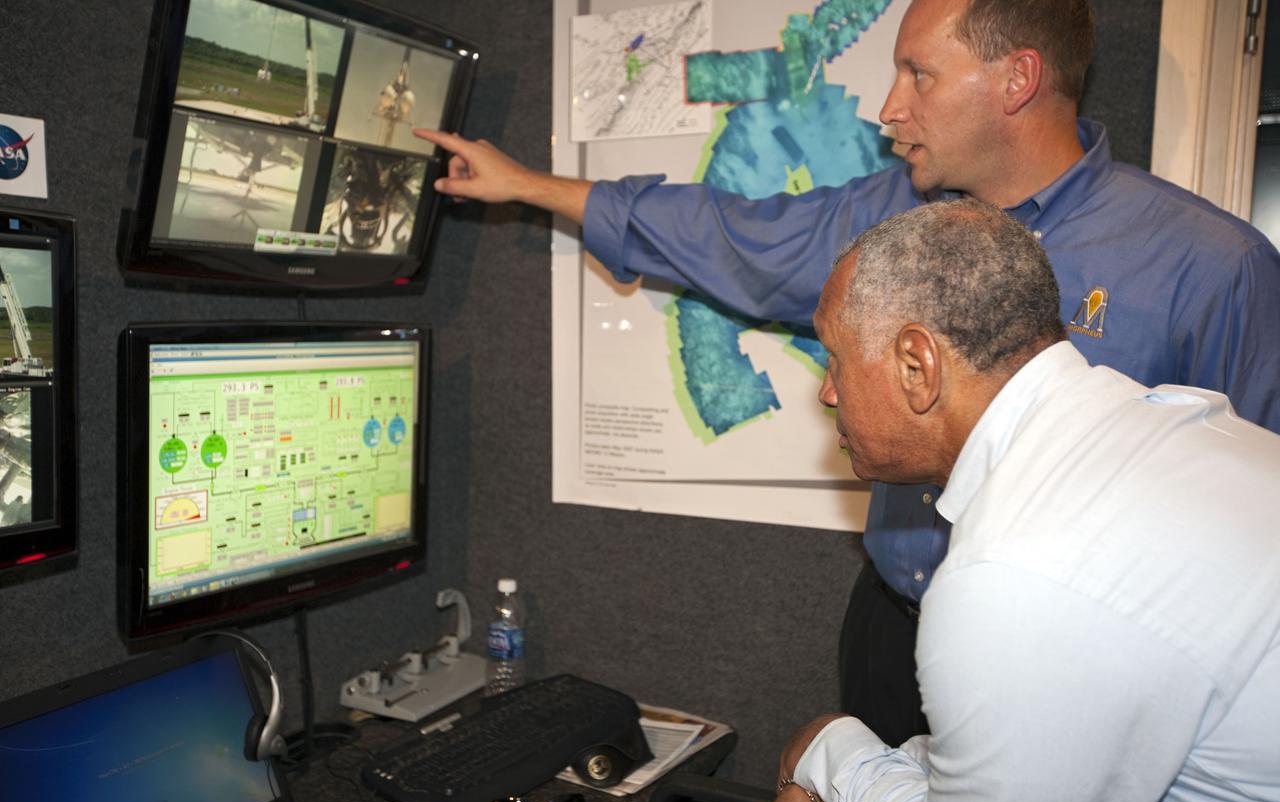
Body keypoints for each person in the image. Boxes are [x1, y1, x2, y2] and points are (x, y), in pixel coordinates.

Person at [414, 0, 1280, 747]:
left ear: (1016, 79)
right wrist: (529, 184)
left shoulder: (1209, 267)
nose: (887, 106)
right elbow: (730, 234)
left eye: (919, 75)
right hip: (896, 627)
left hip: (1083, 671)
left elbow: (1255, 546)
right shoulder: (891, 216)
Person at [752, 198, 1280, 802]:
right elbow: (1029, 765)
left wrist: (826, 747)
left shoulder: (1012, 574)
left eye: (835, 357)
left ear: (917, 367)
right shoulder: (1174, 421)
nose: (827, 393)